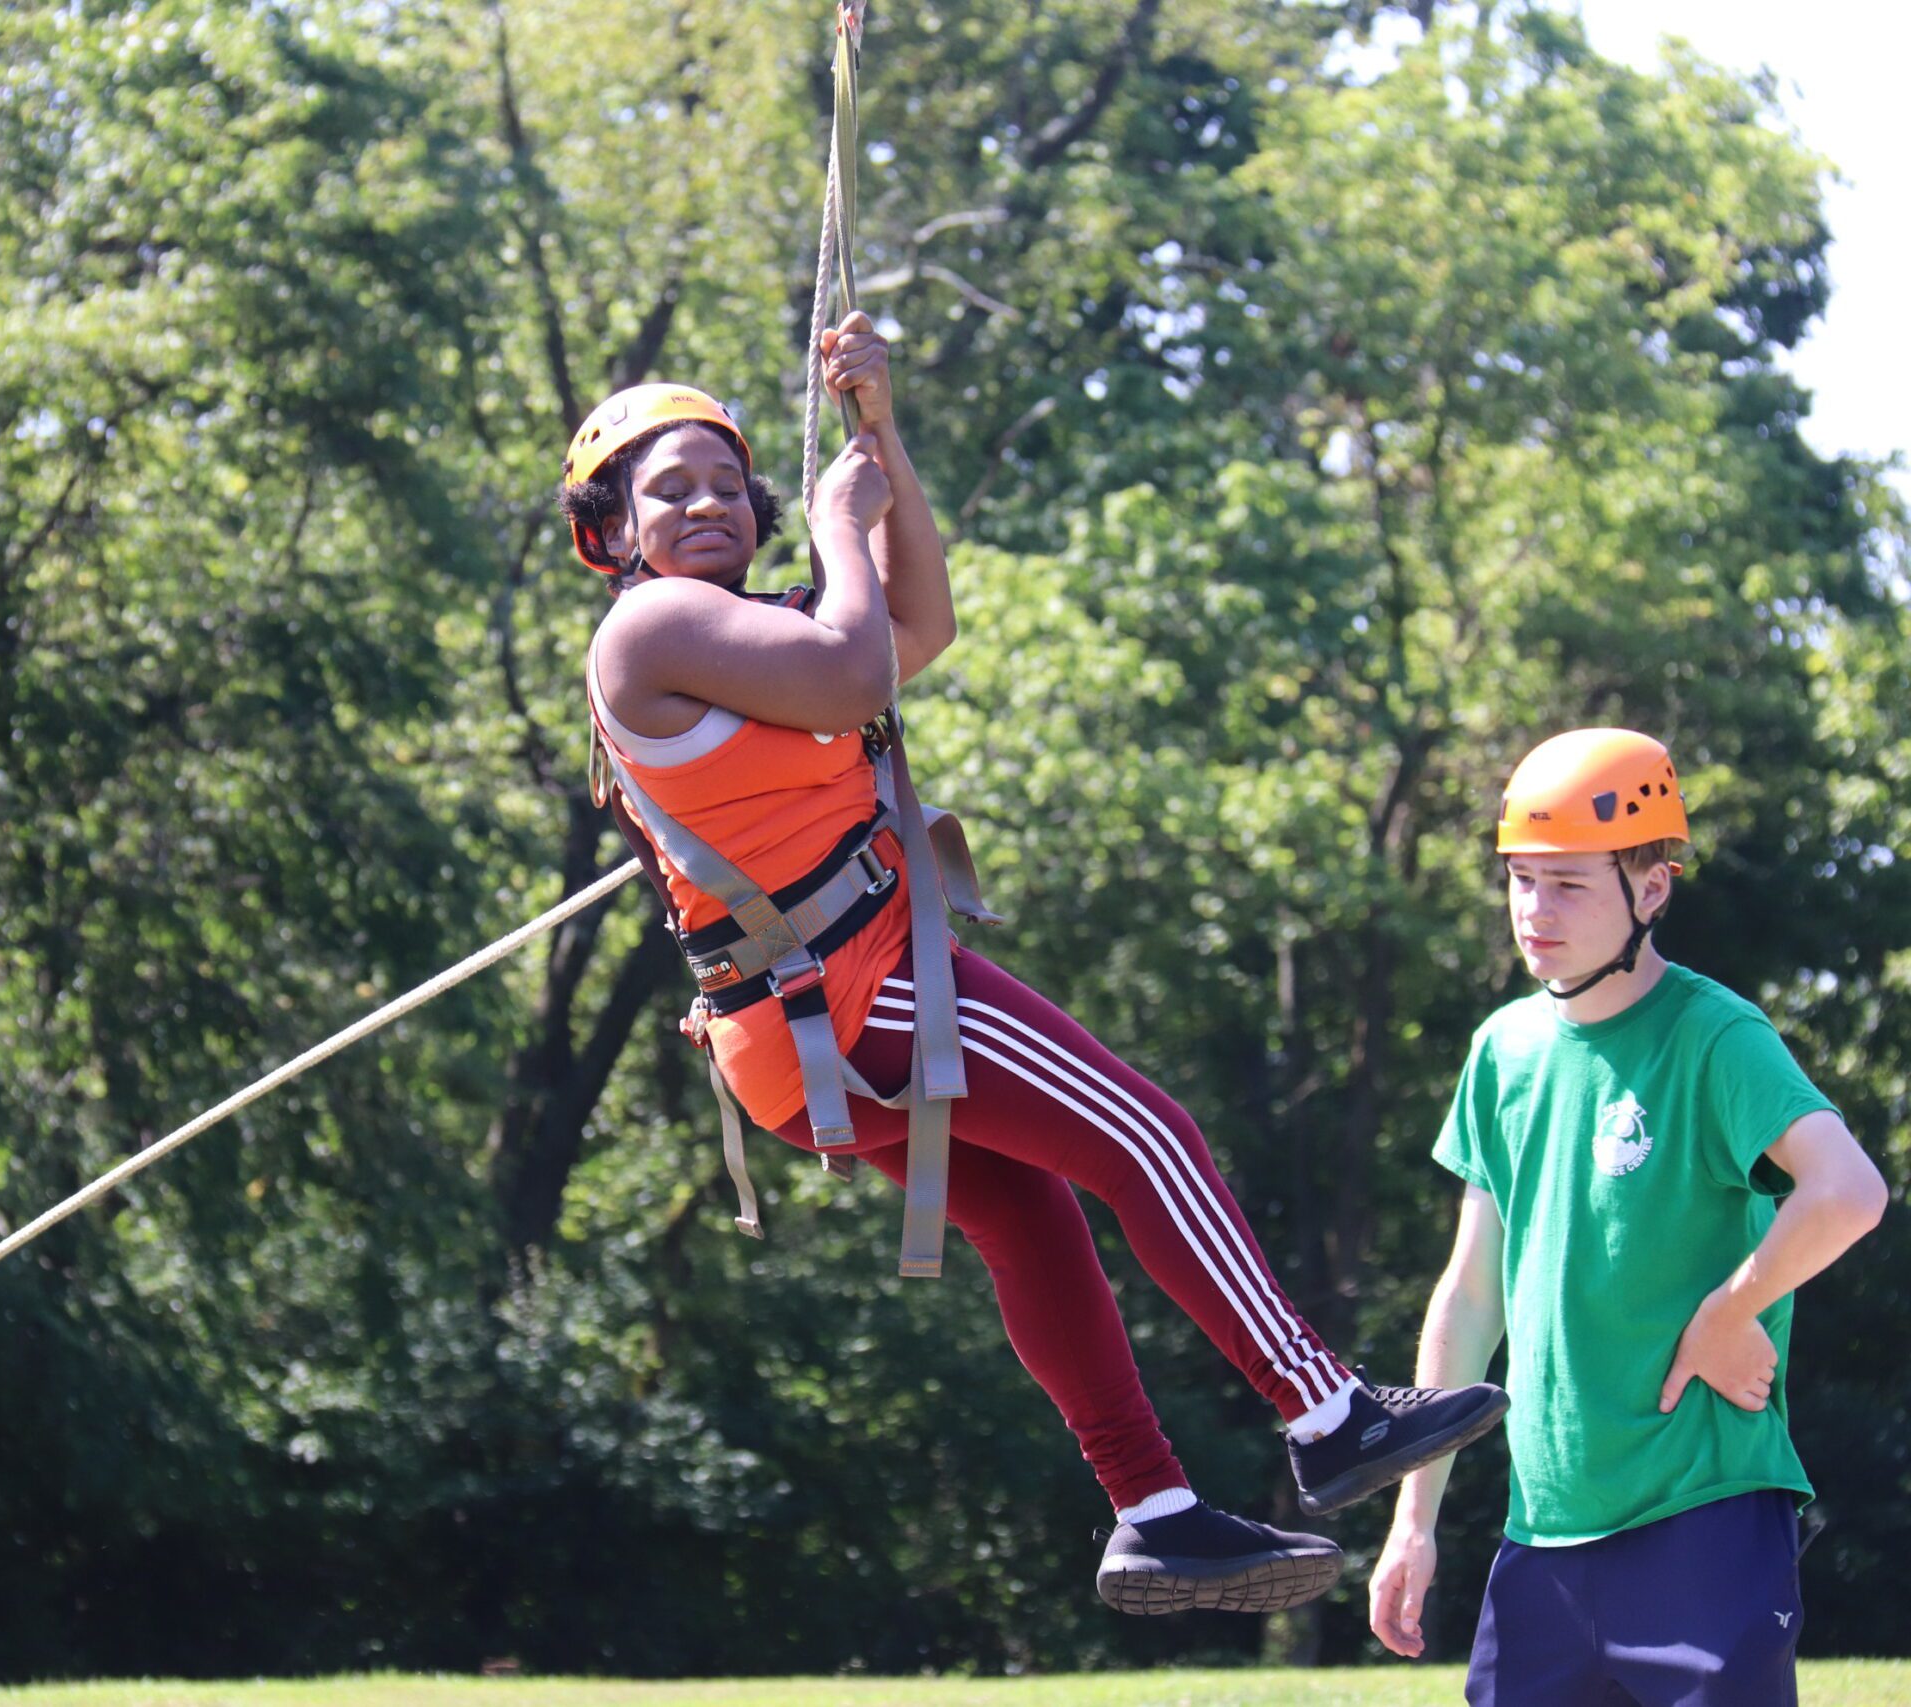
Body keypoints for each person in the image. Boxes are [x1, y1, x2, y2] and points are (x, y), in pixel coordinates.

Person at [561, 314, 1508, 1615]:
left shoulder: (743, 635)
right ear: (610, 529)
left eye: (728, 481)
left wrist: (878, 435)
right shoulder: (648, 627)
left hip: (805, 1020)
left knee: (1027, 1211)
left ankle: (1155, 1511)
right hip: (856, 987)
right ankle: (1326, 1407)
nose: (711, 500)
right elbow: (854, 671)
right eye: (671, 489)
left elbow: (915, 625)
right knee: (1147, 1133)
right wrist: (843, 508)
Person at [1368, 730, 1887, 1703]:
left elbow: (1849, 1191)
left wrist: (1728, 1313)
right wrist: (1415, 1518)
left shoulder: (1715, 1036)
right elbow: (1471, 1294)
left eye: (1567, 885)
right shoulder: (1501, 1052)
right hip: (1542, 1536)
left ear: (1651, 890)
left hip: (1705, 1522)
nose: (1533, 911)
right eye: (1520, 880)